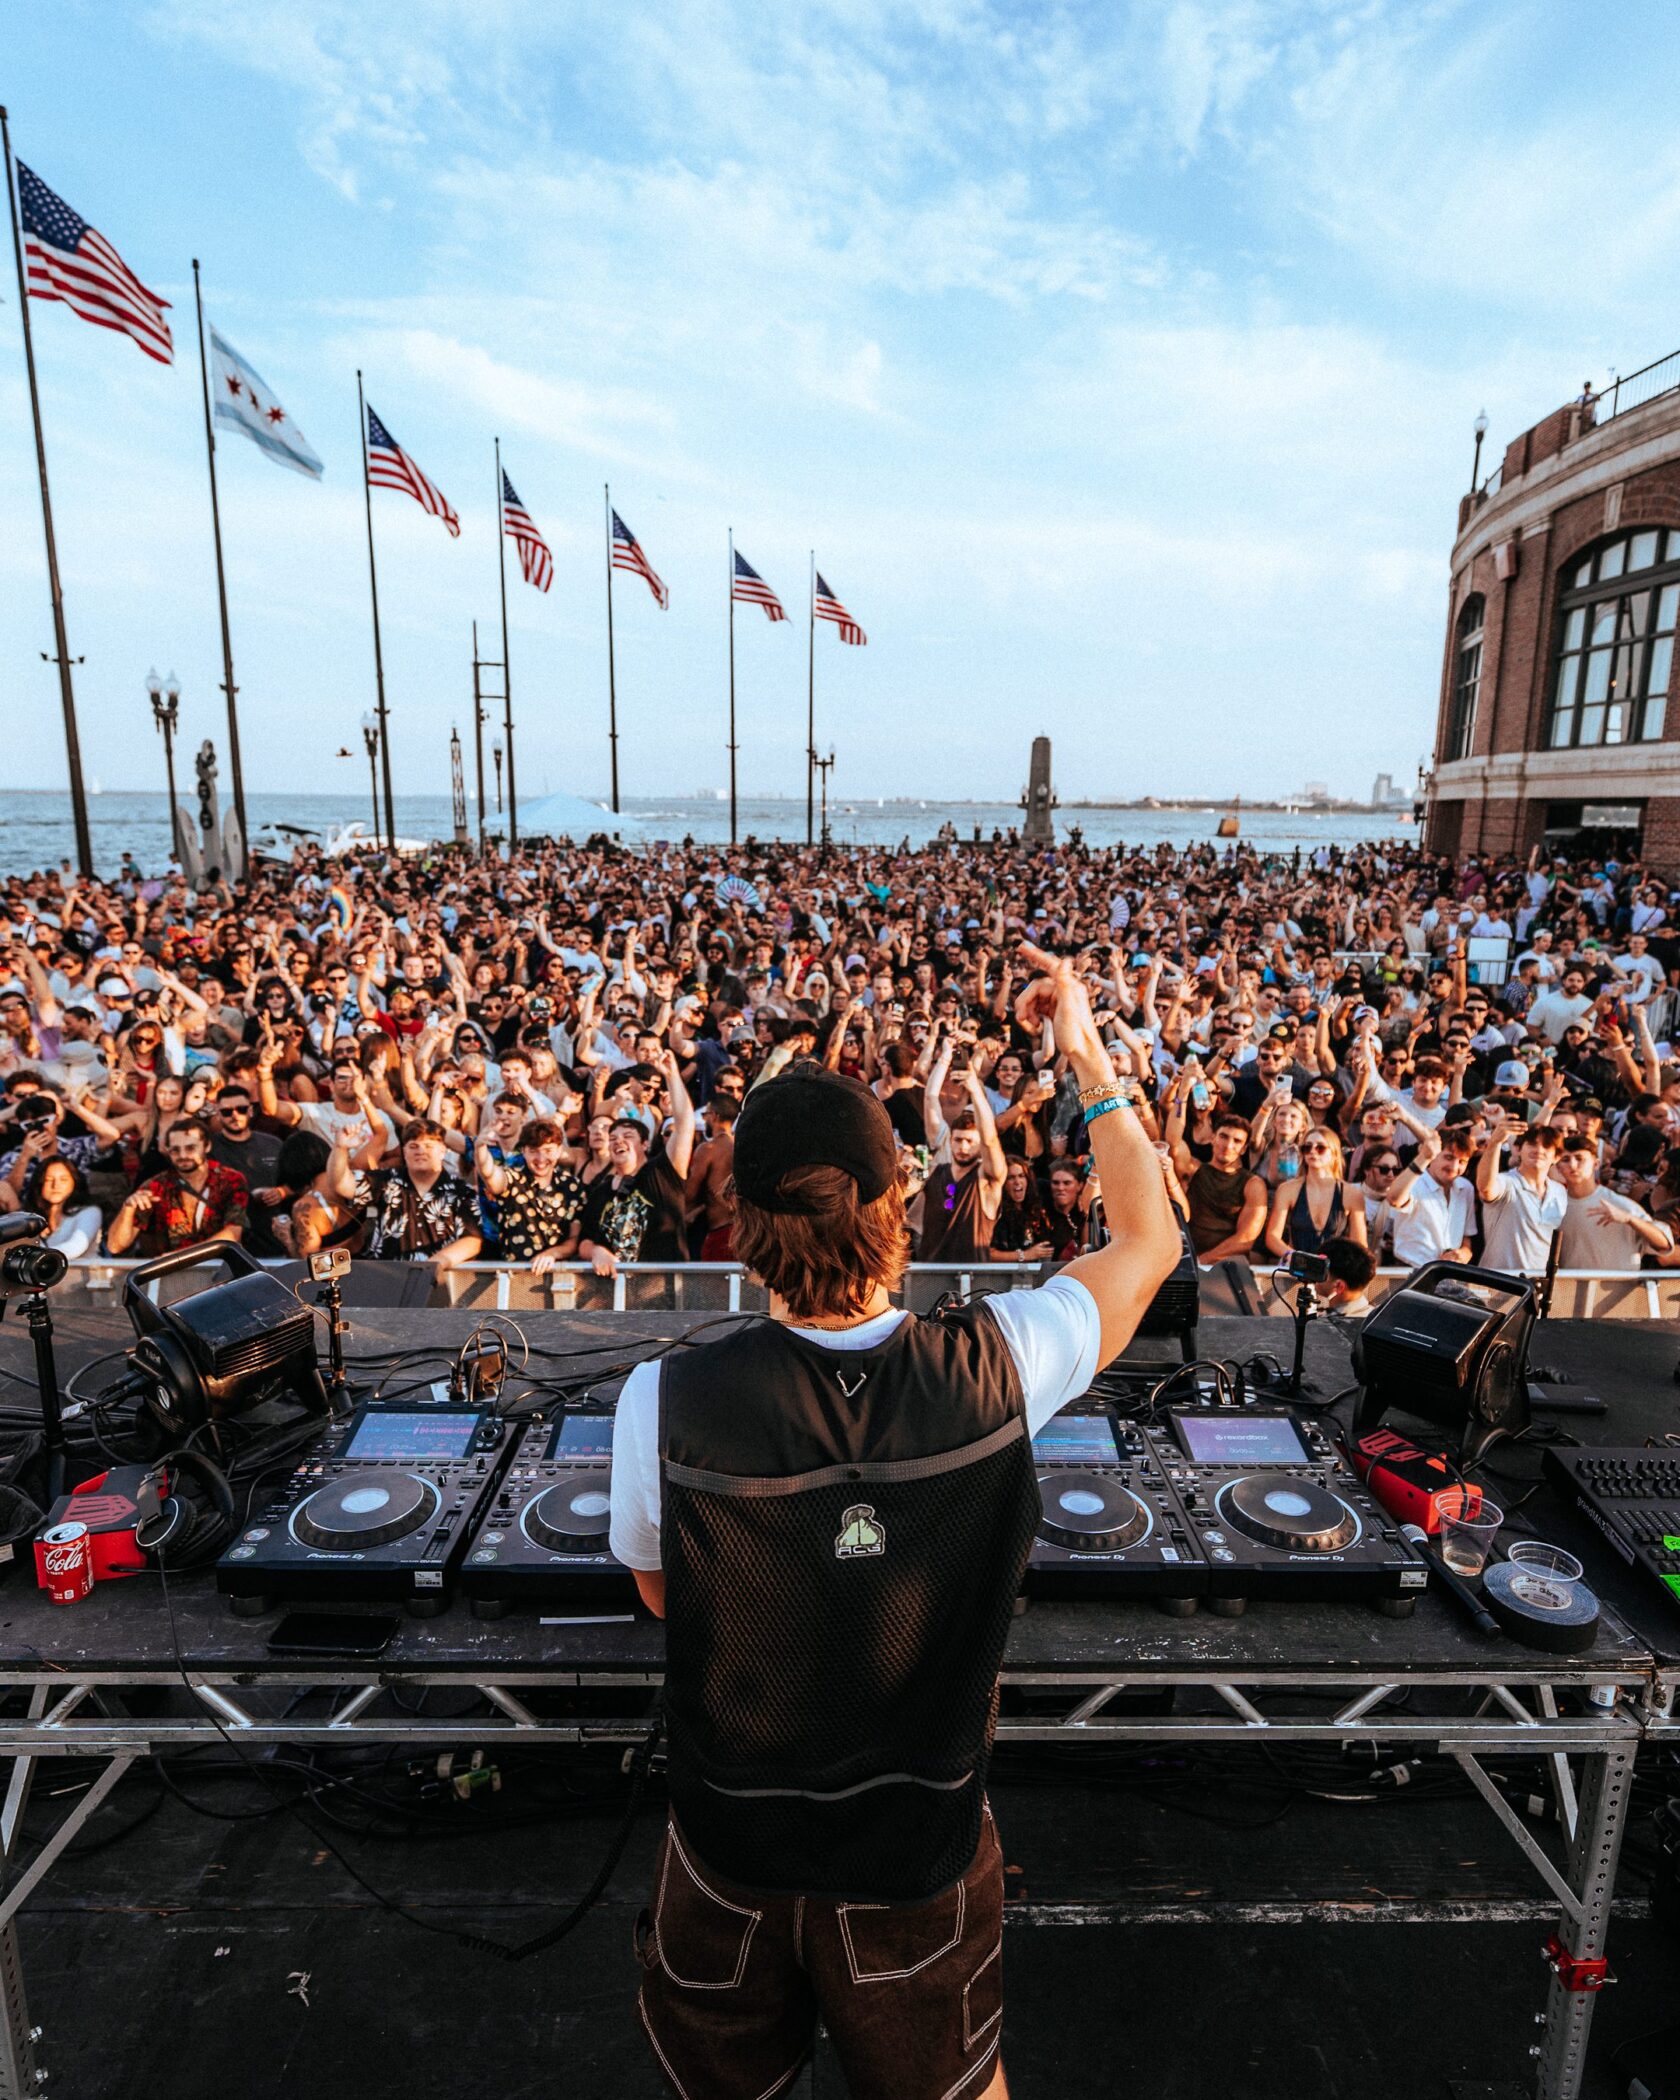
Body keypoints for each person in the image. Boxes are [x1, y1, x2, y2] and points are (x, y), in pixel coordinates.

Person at [610, 941, 1180, 2100]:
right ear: (896, 1206)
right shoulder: (1005, 1361)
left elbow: (666, 1592)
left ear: (745, 1219)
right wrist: (1081, 1049)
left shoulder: (662, 1403)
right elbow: (1151, 1238)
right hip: (917, 1853)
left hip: (732, 1854)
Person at [107, 1116, 249, 1255]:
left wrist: (180, 1257)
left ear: (207, 1146)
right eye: (175, 1150)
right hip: (172, 1273)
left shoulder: (230, 1180)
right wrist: (128, 1209)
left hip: (220, 1267)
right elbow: (115, 1246)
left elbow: (232, 1235)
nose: (182, 1155)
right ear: (168, 1150)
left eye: (190, 1148)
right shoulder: (156, 1186)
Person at [475, 1118, 585, 1270]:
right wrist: (480, 1148)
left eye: (548, 1150)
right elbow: (489, 1174)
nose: (541, 1159)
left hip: (560, 1276)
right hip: (515, 1275)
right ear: (523, 1151)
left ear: (559, 1150)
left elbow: (574, 1239)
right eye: (533, 1151)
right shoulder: (512, 1179)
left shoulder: (572, 1185)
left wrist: (551, 1254)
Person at [1553, 1136, 1674, 1271]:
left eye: (1579, 1158)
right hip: (1568, 1289)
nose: (1573, 1165)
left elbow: (1665, 1244)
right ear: (1557, 1167)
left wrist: (1629, 1219)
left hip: (1618, 1290)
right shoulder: (1554, 1206)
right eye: (1565, 1160)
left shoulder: (1620, 1204)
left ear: (1596, 1164)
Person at [1475, 1107, 1567, 1274]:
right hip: (1497, 1285)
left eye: (1547, 1146)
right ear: (1518, 1149)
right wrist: (1495, 1143)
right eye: (1532, 1144)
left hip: (1538, 1288)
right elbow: (1485, 1188)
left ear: (1556, 1157)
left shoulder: (1560, 1192)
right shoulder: (1507, 1182)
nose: (1539, 1150)